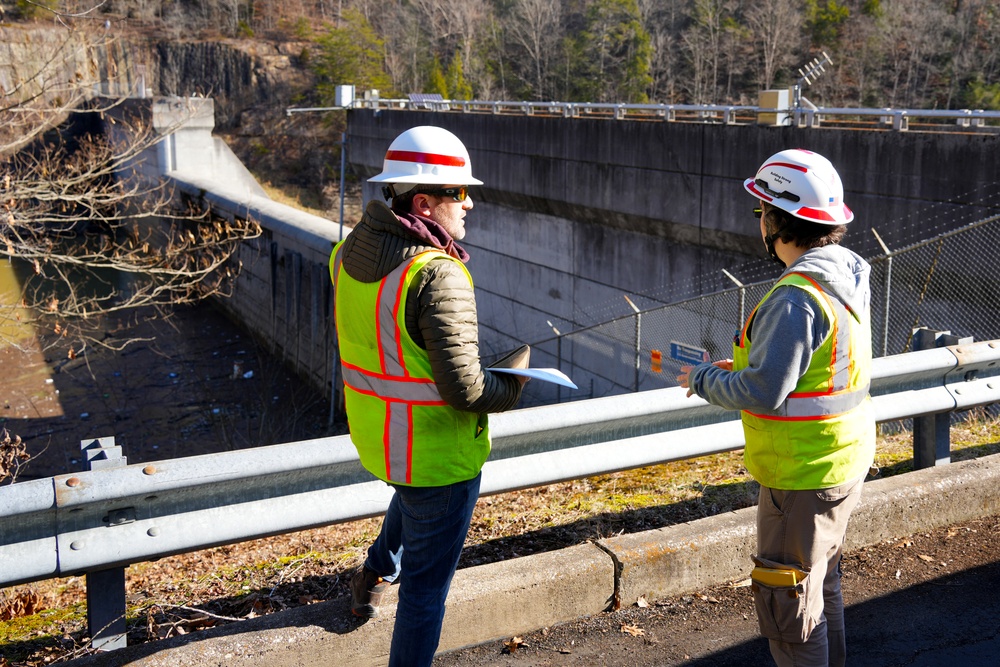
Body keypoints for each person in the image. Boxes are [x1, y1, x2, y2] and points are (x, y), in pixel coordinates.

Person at [329, 125, 526, 666]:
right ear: (423, 203)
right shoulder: (436, 274)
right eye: (459, 193)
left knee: (412, 499)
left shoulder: (346, 255)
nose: (470, 203)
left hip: (381, 437)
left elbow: (395, 351)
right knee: (424, 595)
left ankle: (373, 574)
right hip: (437, 455)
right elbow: (466, 391)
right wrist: (515, 385)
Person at [677, 148, 875, 667]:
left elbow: (765, 392)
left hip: (801, 475)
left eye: (761, 210)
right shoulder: (845, 275)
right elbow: (806, 366)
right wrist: (746, 363)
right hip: (840, 462)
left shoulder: (796, 296)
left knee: (789, 612)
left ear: (775, 219)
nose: (759, 220)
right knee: (819, 589)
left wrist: (702, 379)